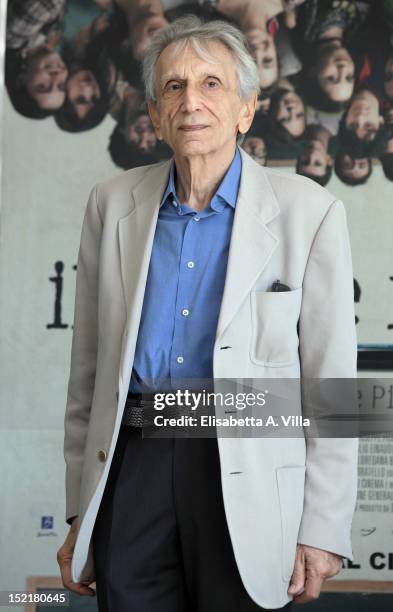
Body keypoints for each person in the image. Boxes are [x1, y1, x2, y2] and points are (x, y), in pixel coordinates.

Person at [57, 14, 359, 612]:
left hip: (247, 458)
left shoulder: (309, 211)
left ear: (247, 109)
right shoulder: (112, 203)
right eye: (173, 86)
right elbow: (89, 375)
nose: (191, 101)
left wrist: (323, 527)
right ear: (153, 114)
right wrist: (80, 509)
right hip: (133, 464)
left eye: (211, 84)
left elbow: (333, 388)